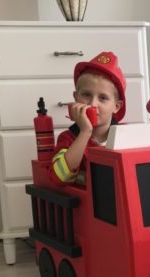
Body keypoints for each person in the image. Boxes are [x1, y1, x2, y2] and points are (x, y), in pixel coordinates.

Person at [50, 51, 126, 185]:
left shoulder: (125, 137)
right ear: (76, 98)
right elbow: (59, 178)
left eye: (103, 98)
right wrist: (85, 132)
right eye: (86, 95)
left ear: (116, 106)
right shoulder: (68, 139)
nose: (93, 104)